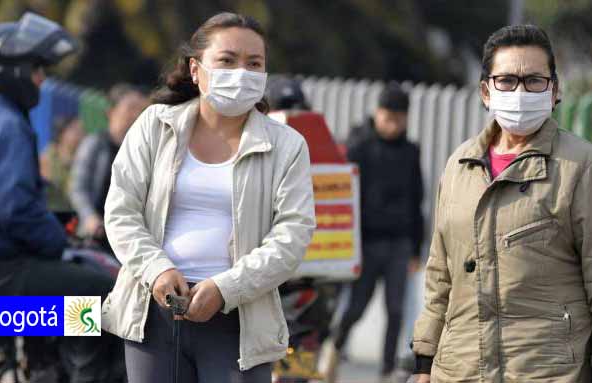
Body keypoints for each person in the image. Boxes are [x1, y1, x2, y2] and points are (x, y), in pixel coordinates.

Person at [100, 12, 316, 383]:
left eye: (254, 64)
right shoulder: (155, 126)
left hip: (240, 324)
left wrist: (225, 287)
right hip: (152, 316)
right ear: (195, 69)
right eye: (227, 61)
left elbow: (293, 236)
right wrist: (157, 270)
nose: (241, 73)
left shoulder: (287, 145)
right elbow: (121, 211)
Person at [411, 25, 592, 383]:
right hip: (460, 370)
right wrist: (423, 362)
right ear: (486, 91)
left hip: (547, 371)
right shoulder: (460, 164)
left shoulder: (579, 165)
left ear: (554, 90)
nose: (520, 92)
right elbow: (439, 275)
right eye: (507, 80)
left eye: (534, 81)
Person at [0, 12, 119, 382]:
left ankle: (41, 363)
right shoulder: (7, 123)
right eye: (37, 69)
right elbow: (16, 209)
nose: (42, 80)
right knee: (107, 297)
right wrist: (57, 242)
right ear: (10, 70)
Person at [324, 84, 424, 383]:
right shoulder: (360, 149)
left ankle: (386, 370)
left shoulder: (411, 152)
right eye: (387, 116)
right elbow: (343, 199)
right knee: (356, 307)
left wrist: (416, 250)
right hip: (365, 243)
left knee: (395, 310)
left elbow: (417, 200)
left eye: (399, 117)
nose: (392, 123)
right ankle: (334, 349)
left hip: (400, 244)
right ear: (377, 114)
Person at [69, 83, 148, 237]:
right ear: (111, 111)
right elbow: (78, 188)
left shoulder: (142, 150)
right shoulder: (94, 144)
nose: (136, 115)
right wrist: (89, 217)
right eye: (131, 108)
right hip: (96, 233)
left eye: (141, 110)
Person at [40, 116, 85, 212]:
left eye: (82, 131)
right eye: (75, 130)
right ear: (62, 133)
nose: (81, 135)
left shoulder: (83, 158)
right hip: (53, 212)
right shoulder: (48, 157)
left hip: (74, 213)